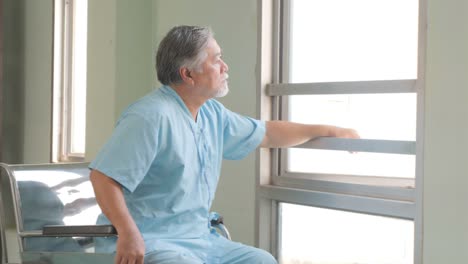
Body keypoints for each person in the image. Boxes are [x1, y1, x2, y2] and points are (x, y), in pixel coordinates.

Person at [89, 25, 359, 264]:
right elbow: (103, 177)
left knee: (261, 260)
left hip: (198, 240)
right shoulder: (150, 116)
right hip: (152, 240)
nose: (225, 67)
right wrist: (129, 233)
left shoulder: (211, 114)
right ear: (188, 74)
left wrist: (328, 129)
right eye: (216, 60)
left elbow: (266, 133)